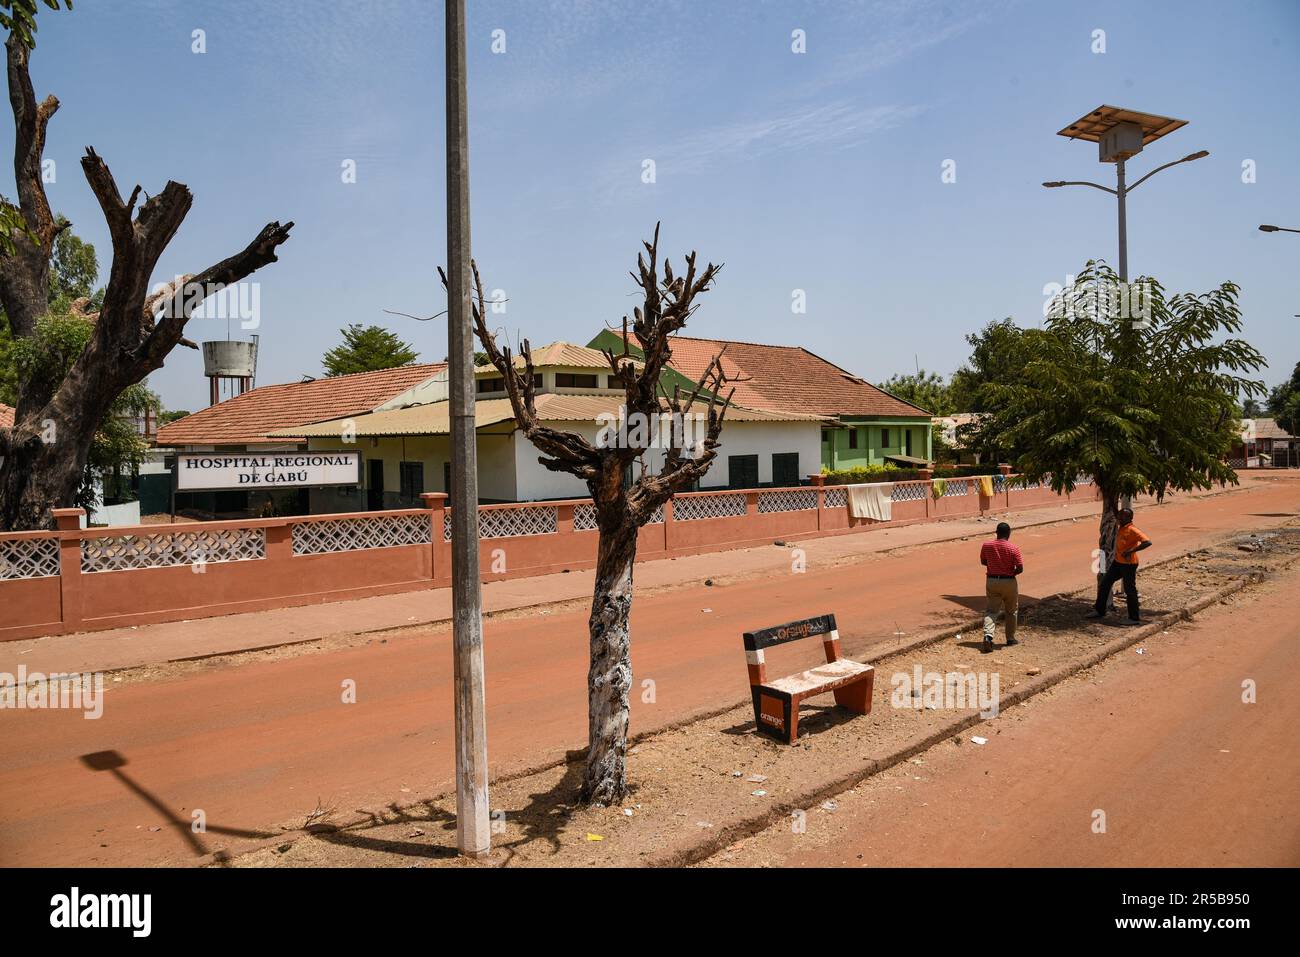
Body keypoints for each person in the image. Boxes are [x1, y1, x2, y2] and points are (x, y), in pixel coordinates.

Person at [1087, 508, 1151, 624]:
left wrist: (1131, 550)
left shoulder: (1132, 530)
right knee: (1105, 583)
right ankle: (1099, 610)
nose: (1119, 518)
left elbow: (1147, 542)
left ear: (1129, 518)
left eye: (1122, 516)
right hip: (1118, 563)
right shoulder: (1121, 527)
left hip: (1129, 564)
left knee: (1129, 590)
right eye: (1119, 516)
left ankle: (1134, 618)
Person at [979, 521, 1023, 653]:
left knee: (992, 611)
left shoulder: (986, 545)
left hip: (992, 580)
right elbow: (1020, 568)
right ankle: (1010, 639)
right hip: (1009, 581)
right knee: (1011, 610)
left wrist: (993, 566)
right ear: (1009, 534)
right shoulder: (1013, 548)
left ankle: (988, 637)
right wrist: (1011, 573)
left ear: (996, 533)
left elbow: (983, 561)